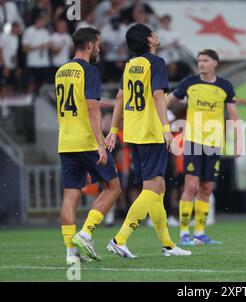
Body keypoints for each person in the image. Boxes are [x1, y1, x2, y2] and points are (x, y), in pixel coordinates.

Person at [105, 23, 191, 258]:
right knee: (152, 188)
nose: (157, 33)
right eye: (153, 31)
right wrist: (166, 131)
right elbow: (158, 97)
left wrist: (113, 130)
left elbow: (120, 97)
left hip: (135, 132)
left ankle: (168, 245)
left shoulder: (131, 64)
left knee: (158, 187)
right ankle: (119, 238)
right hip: (152, 131)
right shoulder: (156, 62)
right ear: (148, 40)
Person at [57, 27, 121, 265]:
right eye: (99, 44)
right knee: (113, 188)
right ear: (91, 45)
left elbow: (76, 102)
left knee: (70, 195)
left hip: (66, 140)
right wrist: (100, 144)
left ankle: (70, 254)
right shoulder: (90, 70)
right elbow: (91, 108)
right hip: (86, 140)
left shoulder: (61, 70)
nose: (100, 48)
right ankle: (86, 233)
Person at [166, 49, 241, 246]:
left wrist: (238, 142)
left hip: (214, 143)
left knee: (206, 188)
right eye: (199, 60)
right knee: (190, 185)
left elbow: (234, 116)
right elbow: (166, 102)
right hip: (193, 141)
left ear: (215, 62)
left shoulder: (225, 86)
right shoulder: (189, 83)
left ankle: (199, 232)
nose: (201, 64)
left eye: (206, 60)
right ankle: (183, 233)